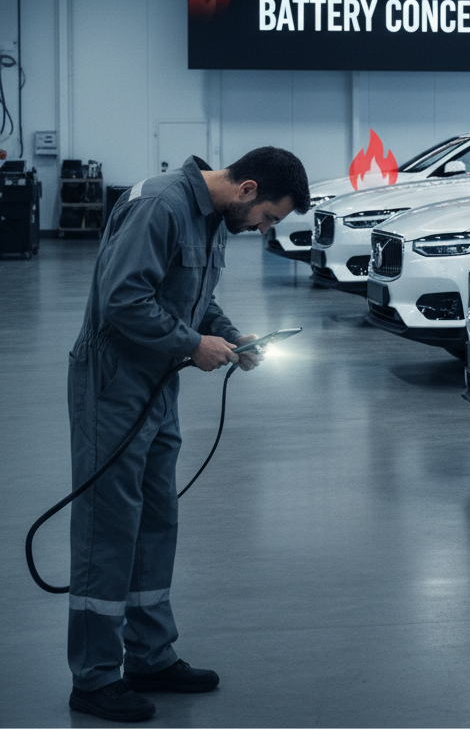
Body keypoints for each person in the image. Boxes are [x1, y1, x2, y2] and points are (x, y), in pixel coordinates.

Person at [66, 147, 309, 722]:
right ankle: (95, 678)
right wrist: (192, 345)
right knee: (109, 527)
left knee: (155, 519)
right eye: (269, 217)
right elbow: (124, 298)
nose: (264, 229)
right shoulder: (161, 206)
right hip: (114, 383)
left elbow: (190, 298)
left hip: (155, 383)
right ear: (247, 188)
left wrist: (228, 335)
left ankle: (149, 656)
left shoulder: (209, 216)